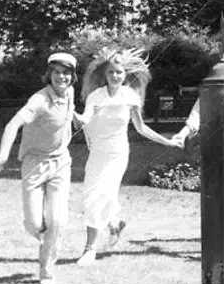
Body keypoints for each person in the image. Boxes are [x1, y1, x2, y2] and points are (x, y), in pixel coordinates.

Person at [75, 47, 176, 266]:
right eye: (111, 72)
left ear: (125, 75)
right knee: (92, 195)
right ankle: (114, 222)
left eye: (119, 73)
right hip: (97, 153)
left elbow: (141, 128)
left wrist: (166, 141)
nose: (115, 76)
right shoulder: (96, 96)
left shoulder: (130, 97)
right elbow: (85, 119)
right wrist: (70, 113)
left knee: (101, 195)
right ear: (105, 74)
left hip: (118, 153)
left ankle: (89, 249)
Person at [0, 51, 81, 284]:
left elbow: (66, 114)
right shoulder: (39, 100)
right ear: (49, 75)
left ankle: (47, 268)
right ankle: (46, 237)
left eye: (67, 73)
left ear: (72, 77)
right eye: (57, 73)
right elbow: (12, 125)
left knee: (57, 220)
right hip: (34, 164)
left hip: (61, 162)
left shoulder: (70, 93)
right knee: (33, 223)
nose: (62, 78)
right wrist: (2, 155)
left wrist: (78, 118)